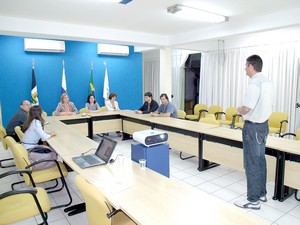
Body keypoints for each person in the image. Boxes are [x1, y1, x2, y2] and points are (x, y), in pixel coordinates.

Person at [234, 55, 273, 210]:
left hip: (253, 127)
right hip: (263, 126)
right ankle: (262, 193)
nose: (245, 68)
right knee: (260, 161)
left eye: (245, 65)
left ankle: (253, 200)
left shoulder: (254, 84)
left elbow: (247, 108)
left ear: (251, 66)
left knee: (251, 163)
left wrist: (239, 109)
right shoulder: (267, 82)